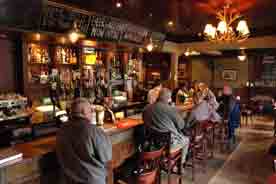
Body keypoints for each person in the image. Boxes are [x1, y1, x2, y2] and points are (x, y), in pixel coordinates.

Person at [56, 98, 112, 184]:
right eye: (91, 111)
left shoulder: (61, 130)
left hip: (69, 180)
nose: (92, 114)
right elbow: (107, 156)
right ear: (84, 112)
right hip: (92, 180)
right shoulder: (93, 130)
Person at [143, 88, 190, 164]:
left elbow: (145, 121)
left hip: (153, 143)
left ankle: (162, 161)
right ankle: (180, 165)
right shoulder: (169, 109)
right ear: (169, 98)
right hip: (168, 145)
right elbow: (181, 125)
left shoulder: (146, 109)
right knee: (186, 140)